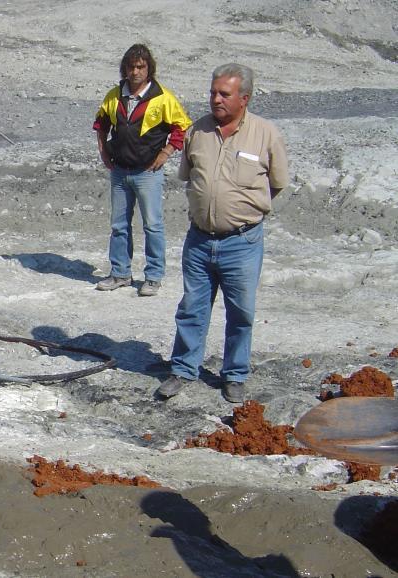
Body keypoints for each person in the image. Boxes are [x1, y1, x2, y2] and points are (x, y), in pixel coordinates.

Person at [155, 63, 289, 403]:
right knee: (191, 309)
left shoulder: (265, 134)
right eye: (213, 92)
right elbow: (190, 177)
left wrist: (244, 212)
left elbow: (277, 184)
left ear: (244, 98)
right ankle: (183, 369)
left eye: (223, 94)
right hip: (199, 240)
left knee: (241, 311)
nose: (215, 99)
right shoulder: (197, 132)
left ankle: (234, 375)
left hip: (241, 243)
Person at [93, 44, 192, 297]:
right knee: (118, 225)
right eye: (131, 66)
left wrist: (166, 153)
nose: (135, 72)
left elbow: (181, 127)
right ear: (125, 68)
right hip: (119, 170)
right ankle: (120, 273)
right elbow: (101, 123)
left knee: (153, 225)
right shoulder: (114, 96)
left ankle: (154, 276)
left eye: (141, 67)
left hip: (148, 173)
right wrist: (103, 150)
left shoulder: (163, 98)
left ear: (149, 69)